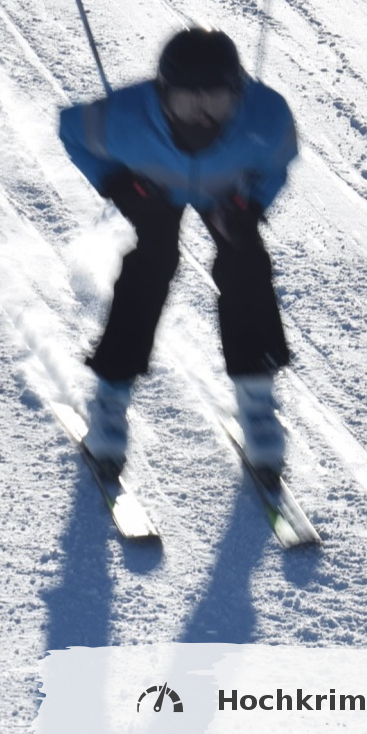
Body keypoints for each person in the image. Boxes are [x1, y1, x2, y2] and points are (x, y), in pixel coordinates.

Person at [58, 28, 299, 475]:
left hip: (224, 191)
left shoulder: (264, 117)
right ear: (163, 92)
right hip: (157, 190)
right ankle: (111, 397)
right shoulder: (125, 120)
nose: (204, 115)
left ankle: (257, 400)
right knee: (153, 261)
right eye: (189, 100)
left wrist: (250, 206)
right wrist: (119, 186)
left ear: (239, 92)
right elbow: (71, 131)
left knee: (245, 261)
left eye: (218, 100)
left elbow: (278, 159)